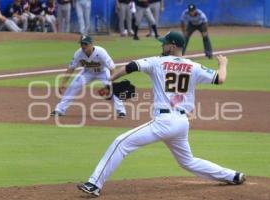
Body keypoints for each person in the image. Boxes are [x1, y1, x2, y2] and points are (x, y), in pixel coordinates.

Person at [78, 31, 246, 197]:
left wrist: (109, 81)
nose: (162, 45)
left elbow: (130, 67)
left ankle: (94, 184)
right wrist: (223, 64)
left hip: (164, 122)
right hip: (181, 122)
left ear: (172, 47)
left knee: (120, 143)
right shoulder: (193, 66)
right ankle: (232, 175)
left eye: (164, 43)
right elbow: (220, 78)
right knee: (188, 161)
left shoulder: (157, 62)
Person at [50, 35, 127, 118]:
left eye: (85, 44)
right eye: (81, 44)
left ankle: (121, 111)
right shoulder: (78, 53)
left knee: (113, 88)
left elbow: (112, 68)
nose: (83, 46)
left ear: (91, 44)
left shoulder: (101, 52)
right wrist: (63, 83)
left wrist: (111, 82)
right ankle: (59, 110)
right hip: (87, 72)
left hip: (102, 72)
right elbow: (71, 68)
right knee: (73, 87)